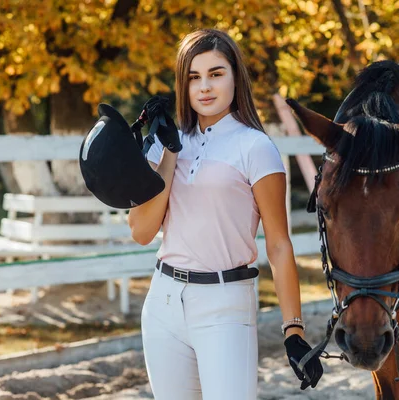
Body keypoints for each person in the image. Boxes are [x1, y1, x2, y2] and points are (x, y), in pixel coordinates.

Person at [127, 28, 323, 400]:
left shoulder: (256, 148)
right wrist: (168, 153)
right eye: (193, 77)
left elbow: (279, 245)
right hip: (163, 303)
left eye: (216, 74)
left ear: (236, 77)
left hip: (226, 304)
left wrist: (293, 330)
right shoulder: (166, 141)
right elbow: (141, 230)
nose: (204, 87)